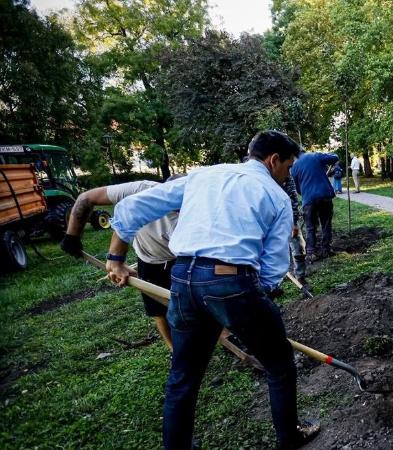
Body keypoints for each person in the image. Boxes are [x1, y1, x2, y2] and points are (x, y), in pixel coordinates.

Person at [104, 130, 319, 449]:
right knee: (279, 365)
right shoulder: (276, 197)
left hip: (183, 279)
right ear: (274, 160)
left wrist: (115, 258)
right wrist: (250, 299)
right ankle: (290, 437)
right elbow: (274, 266)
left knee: (184, 377)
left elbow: (135, 207)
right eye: (288, 167)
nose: (287, 174)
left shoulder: (204, 176)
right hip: (232, 281)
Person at [60, 178, 181, 349]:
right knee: (158, 311)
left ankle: (225, 336)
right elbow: (86, 198)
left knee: (204, 302)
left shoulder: (208, 207)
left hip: (186, 259)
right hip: (150, 258)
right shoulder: (141, 190)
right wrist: (71, 236)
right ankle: (174, 351)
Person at [291, 150, 339, 262]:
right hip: (324, 195)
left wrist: (307, 194)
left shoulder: (294, 167)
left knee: (310, 227)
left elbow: (297, 188)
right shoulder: (315, 156)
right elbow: (335, 157)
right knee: (326, 224)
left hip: (308, 199)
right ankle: (326, 249)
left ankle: (311, 252)